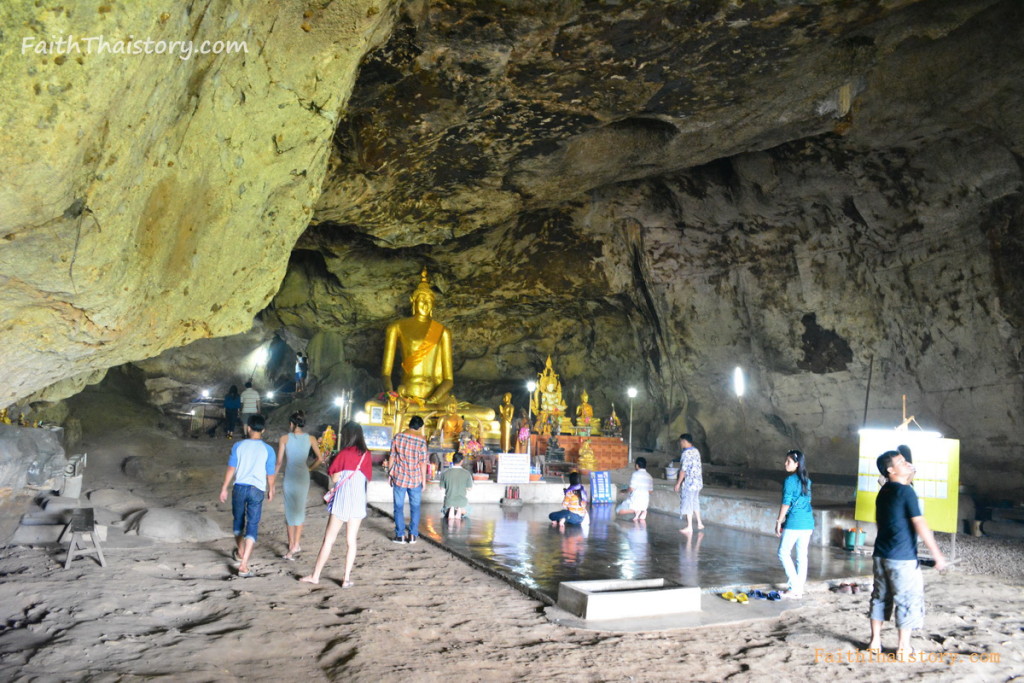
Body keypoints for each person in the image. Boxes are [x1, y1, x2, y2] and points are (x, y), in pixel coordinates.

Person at [867, 450, 947, 658]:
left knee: (880, 598)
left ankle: (875, 642)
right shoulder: (907, 492)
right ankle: (903, 648)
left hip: (881, 554)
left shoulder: (884, 491)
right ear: (891, 470)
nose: (907, 463)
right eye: (901, 462)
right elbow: (919, 522)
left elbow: (878, 522)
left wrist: (909, 471)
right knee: (907, 600)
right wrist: (936, 553)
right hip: (902, 557)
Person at [300, 421, 373, 587]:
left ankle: (315, 575)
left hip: (342, 500)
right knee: (351, 541)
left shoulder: (343, 453)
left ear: (347, 436)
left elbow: (333, 478)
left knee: (329, 540)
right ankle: (346, 579)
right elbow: (367, 477)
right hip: (357, 501)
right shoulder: (366, 455)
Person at [218, 415, 276, 577]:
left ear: (248, 428)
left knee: (238, 520)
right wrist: (271, 488)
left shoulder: (238, 445)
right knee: (253, 523)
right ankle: (244, 564)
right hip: (257, 489)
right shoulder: (268, 449)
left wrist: (224, 487)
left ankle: (241, 551)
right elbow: (270, 472)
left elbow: (231, 468)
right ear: (263, 430)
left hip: (239, 488)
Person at [275, 411, 323, 560]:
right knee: (300, 508)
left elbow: (279, 462)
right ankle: (296, 543)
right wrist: (309, 468)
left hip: (290, 476)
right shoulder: (311, 438)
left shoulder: (284, 438)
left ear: (291, 424)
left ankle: (292, 545)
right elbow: (320, 459)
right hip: (303, 476)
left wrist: (271, 479)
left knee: (290, 510)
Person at [775, 449, 814, 599]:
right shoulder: (807, 480)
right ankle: (799, 588)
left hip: (795, 523)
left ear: (797, 464)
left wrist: (779, 521)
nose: (785, 464)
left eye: (789, 462)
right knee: (802, 556)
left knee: (783, 552)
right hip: (808, 522)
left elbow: (786, 502)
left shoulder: (790, 480)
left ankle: (794, 587)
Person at [388, 415, 428, 544]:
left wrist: (390, 474)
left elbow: (392, 457)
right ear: (420, 427)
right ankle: (412, 536)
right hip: (415, 478)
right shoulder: (421, 441)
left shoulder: (398, 437)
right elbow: (422, 463)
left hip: (399, 477)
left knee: (398, 507)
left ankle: (400, 535)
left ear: (409, 424)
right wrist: (424, 480)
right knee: (415, 507)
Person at [674, 433, 704, 534]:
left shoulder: (686, 453)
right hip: (698, 482)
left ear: (684, 441)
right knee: (695, 501)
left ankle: (689, 526)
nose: (680, 444)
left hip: (690, 483)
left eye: (680, 442)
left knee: (688, 503)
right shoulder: (696, 451)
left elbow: (683, 471)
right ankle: (699, 523)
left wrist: (678, 483)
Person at [616, 457, 654, 521]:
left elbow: (631, 489)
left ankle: (636, 510)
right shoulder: (650, 477)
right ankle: (641, 510)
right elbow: (650, 491)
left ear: (637, 465)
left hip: (635, 502)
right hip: (645, 504)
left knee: (618, 510)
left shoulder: (636, 474)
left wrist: (624, 491)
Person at [440, 452, 473, 520]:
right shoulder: (467, 473)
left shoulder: (445, 473)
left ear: (452, 460)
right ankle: (460, 510)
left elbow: (441, 487)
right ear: (461, 461)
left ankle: (451, 509)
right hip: (462, 502)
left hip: (448, 502)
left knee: (444, 509)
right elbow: (469, 488)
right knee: (470, 510)